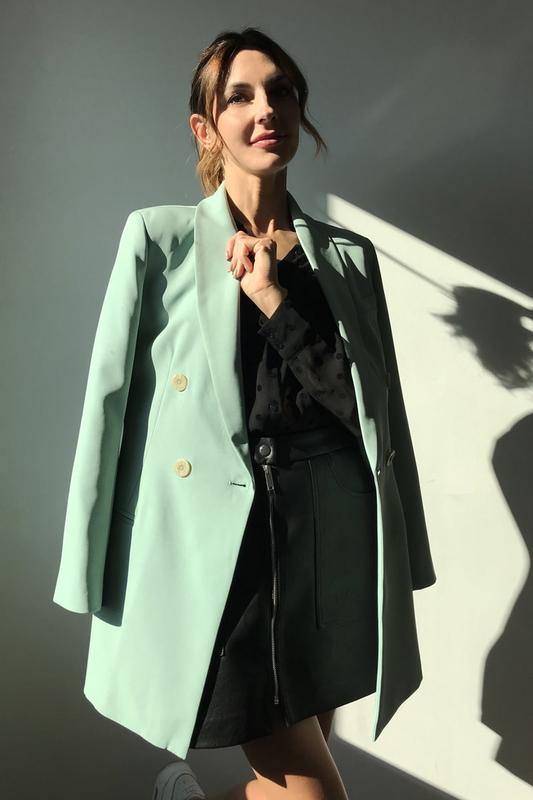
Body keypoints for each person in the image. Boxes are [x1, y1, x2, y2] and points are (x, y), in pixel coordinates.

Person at [53, 26, 436, 800]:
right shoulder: (159, 239)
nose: (266, 109)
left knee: (296, 775)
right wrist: (85, 565)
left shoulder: (346, 257)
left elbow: (371, 413)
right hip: (221, 558)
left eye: (281, 91)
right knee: (314, 791)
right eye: (240, 96)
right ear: (206, 128)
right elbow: (108, 404)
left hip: (325, 550)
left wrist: (268, 296)